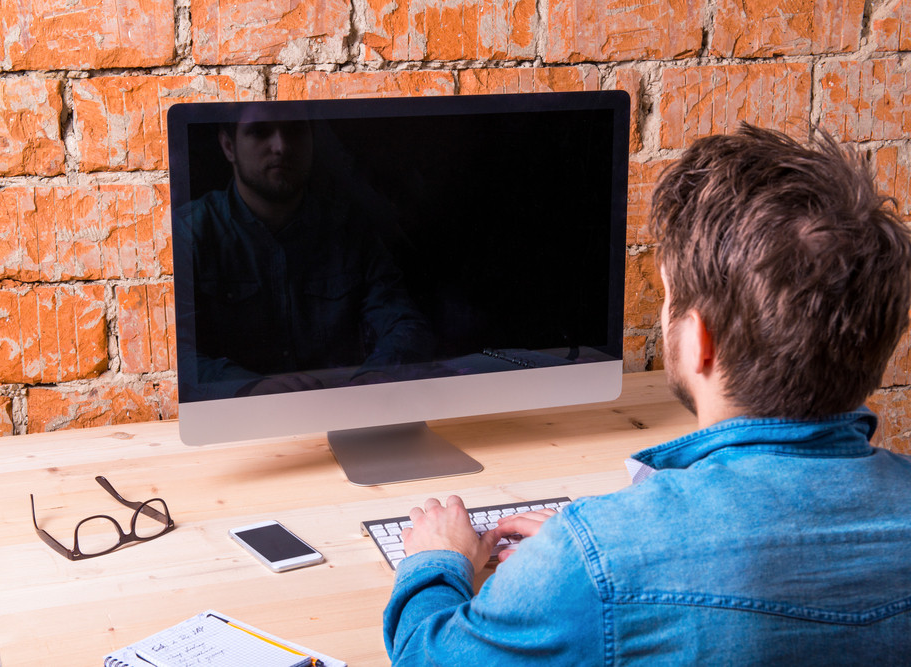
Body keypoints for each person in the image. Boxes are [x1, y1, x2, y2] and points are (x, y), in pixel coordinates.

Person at [383, 124, 911, 664]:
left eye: (669, 297)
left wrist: (438, 563)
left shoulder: (598, 560)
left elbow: (429, 656)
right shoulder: (596, 555)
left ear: (700, 340)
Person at [179, 115, 434, 398]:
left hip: (342, 410)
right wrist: (248, 387)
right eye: (260, 132)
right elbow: (175, 353)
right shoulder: (189, 232)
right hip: (236, 423)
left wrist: (380, 374)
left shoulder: (348, 226)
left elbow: (402, 320)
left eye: (295, 130)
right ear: (228, 146)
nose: (281, 147)